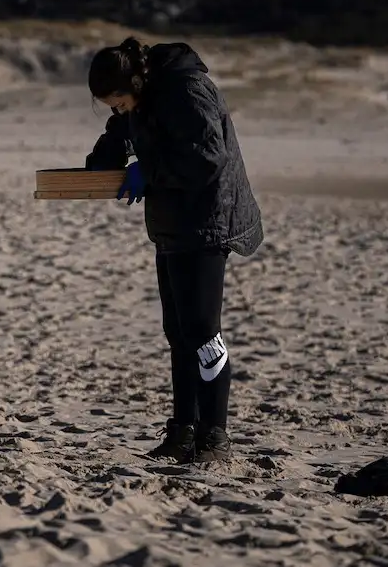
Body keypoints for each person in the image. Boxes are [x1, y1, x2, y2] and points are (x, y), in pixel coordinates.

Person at [85, 38, 263, 464]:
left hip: (207, 221)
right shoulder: (143, 97)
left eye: (118, 101)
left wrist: (149, 171)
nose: (117, 111)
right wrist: (100, 165)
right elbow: (121, 133)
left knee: (203, 332)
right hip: (171, 224)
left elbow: (207, 158)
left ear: (135, 82)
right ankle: (182, 432)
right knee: (178, 334)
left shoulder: (186, 88)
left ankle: (215, 435)